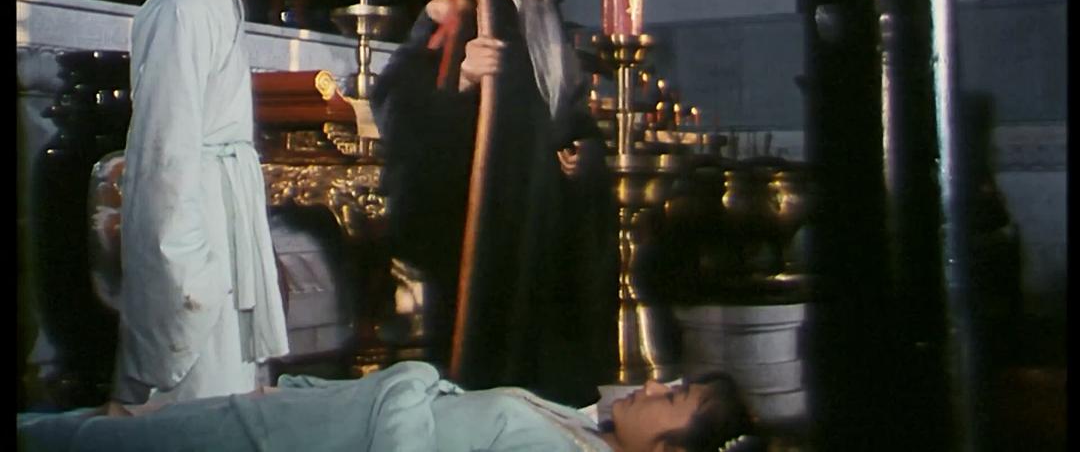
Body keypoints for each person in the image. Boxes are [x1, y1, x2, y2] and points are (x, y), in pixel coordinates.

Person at [371, 0, 619, 406]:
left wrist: (581, 151)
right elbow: (395, 97)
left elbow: (567, 112)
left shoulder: (543, 19)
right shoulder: (460, 11)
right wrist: (462, 79)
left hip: (540, 221)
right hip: (483, 227)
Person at [112, 0, 289, 405]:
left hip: (223, 211)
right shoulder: (181, 8)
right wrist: (189, 273)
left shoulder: (220, 3)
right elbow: (165, 150)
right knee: (197, 401)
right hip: (197, 225)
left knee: (230, 396)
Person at [17, 361, 762, 452]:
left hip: (289, 445)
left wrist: (409, 378)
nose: (651, 386)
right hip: (293, 420)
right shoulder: (585, 426)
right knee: (99, 430)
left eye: (672, 396)